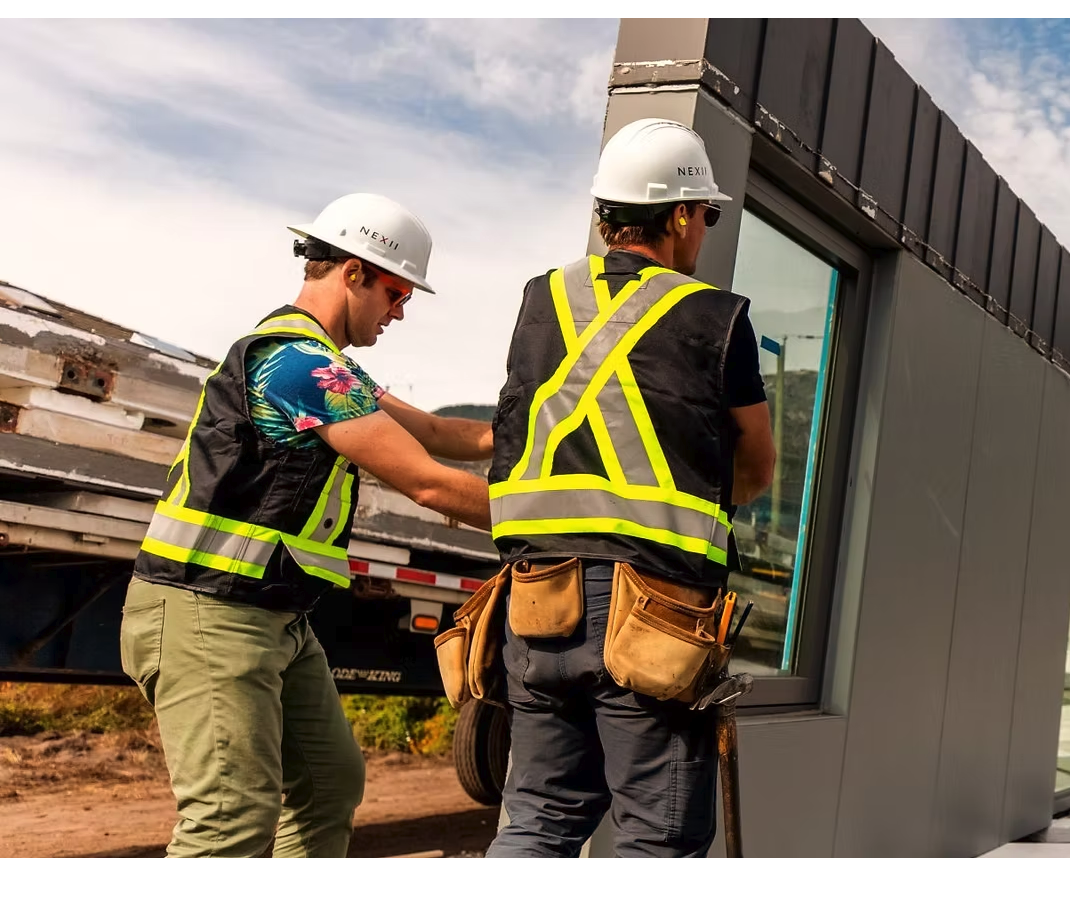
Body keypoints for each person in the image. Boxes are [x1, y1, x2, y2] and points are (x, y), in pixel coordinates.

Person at [121, 193, 497, 857]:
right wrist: (569, 520)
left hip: (274, 617)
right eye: (397, 291)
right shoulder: (300, 368)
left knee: (326, 787)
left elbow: (443, 434)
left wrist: (547, 422)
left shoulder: (333, 369)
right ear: (353, 273)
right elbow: (428, 479)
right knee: (229, 820)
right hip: (208, 610)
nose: (401, 311)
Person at [484, 117, 776, 858]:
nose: (704, 229)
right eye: (706, 214)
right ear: (679, 215)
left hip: (536, 601)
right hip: (651, 616)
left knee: (539, 821)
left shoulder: (538, 300)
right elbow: (757, 463)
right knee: (658, 836)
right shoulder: (715, 317)